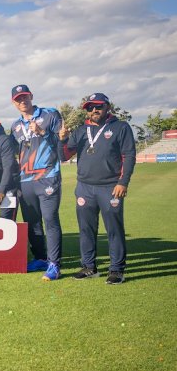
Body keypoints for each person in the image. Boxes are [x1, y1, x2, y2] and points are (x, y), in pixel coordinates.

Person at [59, 93, 136, 284]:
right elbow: (64, 156)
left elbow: (129, 155)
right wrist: (62, 140)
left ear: (108, 107)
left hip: (110, 187)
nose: (94, 110)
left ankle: (116, 269)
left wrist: (123, 182)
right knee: (86, 229)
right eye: (90, 107)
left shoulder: (120, 127)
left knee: (114, 230)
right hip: (85, 187)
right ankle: (88, 267)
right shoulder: (80, 131)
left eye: (98, 106)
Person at [9, 84, 64, 280]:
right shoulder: (15, 126)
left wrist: (43, 132)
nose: (22, 101)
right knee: (32, 223)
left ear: (31, 96)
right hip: (26, 180)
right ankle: (41, 258)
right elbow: (11, 154)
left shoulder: (50, 115)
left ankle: (54, 264)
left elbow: (63, 143)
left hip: (48, 175)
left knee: (50, 220)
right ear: (13, 102)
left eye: (25, 97)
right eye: (18, 99)